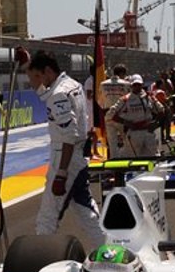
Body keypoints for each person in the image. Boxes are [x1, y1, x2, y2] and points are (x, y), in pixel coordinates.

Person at [25, 50, 101, 242]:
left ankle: (41, 255)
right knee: (85, 209)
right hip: (78, 156)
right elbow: (45, 94)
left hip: (66, 158)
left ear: (47, 71)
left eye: (37, 76)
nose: (35, 82)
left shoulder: (58, 94)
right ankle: (108, 246)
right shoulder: (73, 85)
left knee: (47, 217)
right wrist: (28, 67)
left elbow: (69, 135)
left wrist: (61, 172)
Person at [108, 75, 160, 158]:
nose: (137, 87)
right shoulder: (125, 99)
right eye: (134, 85)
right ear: (131, 86)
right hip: (134, 133)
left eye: (139, 84)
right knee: (134, 159)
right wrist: (126, 123)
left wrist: (156, 123)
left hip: (149, 132)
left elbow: (161, 110)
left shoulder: (149, 96)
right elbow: (111, 114)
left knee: (153, 157)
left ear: (142, 84)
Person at [98, 63, 131, 157]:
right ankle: (126, 159)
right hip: (122, 116)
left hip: (108, 115)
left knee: (112, 142)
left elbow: (100, 101)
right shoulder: (126, 84)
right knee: (127, 140)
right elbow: (130, 100)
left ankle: (113, 161)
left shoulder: (103, 84)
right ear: (122, 73)